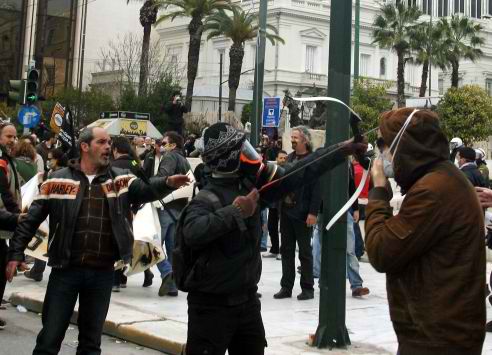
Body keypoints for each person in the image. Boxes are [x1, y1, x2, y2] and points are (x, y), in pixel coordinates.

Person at [179, 122, 366, 354]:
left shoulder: (251, 186)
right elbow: (192, 232)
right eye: (242, 150)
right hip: (210, 307)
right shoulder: (205, 198)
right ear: (229, 158)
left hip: (247, 303)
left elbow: (302, 171)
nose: (250, 154)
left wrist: (341, 150)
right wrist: (236, 212)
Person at [6, 127, 190, 355]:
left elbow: (145, 190)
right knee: (49, 339)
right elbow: (30, 220)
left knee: (91, 344)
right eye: (101, 142)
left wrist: (168, 182)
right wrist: (15, 254)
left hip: (102, 273)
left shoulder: (120, 180)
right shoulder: (57, 179)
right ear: (85, 146)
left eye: (109, 142)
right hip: (65, 271)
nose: (107, 147)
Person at [365, 108, 485, 354]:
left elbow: (380, 251)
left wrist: (378, 191)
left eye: (384, 145)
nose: (381, 155)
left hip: (437, 337)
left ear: (405, 146)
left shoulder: (433, 189)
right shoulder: (442, 178)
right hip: (440, 331)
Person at [273, 127, 321, 301]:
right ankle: (286, 287)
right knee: (286, 250)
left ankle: (307, 288)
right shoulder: (290, 158)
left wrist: (313, 212)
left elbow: (317, 188)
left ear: (305, 141)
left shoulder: (313, 160)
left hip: (302, 212)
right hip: (286, 211)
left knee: (305, 252)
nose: (292, 140)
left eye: (295, 137)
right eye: (291, 137)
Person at [110, 136, 155, 291]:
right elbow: (144, 179)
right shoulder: (135, 162)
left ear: (114, 149)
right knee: (139, 241)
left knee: (118, 241)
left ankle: (117, 279)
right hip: (137, 208)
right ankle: (146, 271)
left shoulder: (111, 165)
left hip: (119, 208)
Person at [24, 148, 68, 282]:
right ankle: (37, 270)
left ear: (58, 159)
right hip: (51, 213)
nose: (49, 161)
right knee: (43, 239)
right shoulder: (52, 173)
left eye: (51, 159)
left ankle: (39, 271)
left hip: (56, 214)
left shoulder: (60, 174)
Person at [156, 131, 191, 297]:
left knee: (154, 244)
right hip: (179, 209)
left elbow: (162, 178)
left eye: (164, 143)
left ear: (173, 145)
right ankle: (172, 286)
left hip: (165, 206)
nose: (162, 146)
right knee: (171, 248)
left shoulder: (170, 157)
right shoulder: (184, 160)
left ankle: (167, 272)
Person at [0, 122, 22, 330]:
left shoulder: (8, 161)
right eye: (8, 136)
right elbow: (5, 194)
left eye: (14, 137)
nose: (12, 140)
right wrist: (16, 216)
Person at [263, 150, 288, 259]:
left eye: (284, 158)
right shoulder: (273, 170)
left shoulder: (288, 170)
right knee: (272, 227)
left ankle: (283, 251)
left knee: (284, 229)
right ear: (276, 159)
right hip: (273, 203)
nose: (283, 160)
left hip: (283, 204)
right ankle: (274, 249)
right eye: (281, 158)